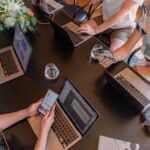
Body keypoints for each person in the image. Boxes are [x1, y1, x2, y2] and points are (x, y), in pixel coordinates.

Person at [78, 0, 144, 51]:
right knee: (80, 31)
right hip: (105, 19)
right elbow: (94, 1)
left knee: (113, 53)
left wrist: (95, 30)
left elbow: (121, 14)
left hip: (124, 28)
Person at [113, 0, 150, 75]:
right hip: (146, 62)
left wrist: (146, 70)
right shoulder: (146, 19)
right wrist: (113, 57)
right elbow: (125, 49)